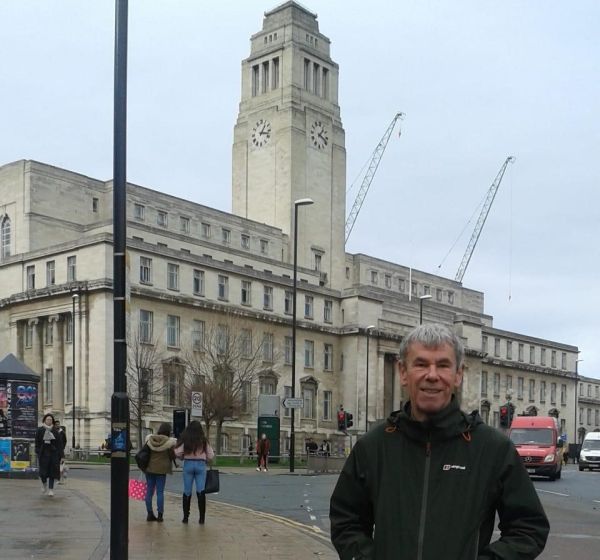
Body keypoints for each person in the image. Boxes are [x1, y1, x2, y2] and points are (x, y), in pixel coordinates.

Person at [330, 323, 550, 559]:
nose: (432, 375)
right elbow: (346, 521)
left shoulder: (492, 448)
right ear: (403, 372)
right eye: (421, 364)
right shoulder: (374, 446)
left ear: (458, 375)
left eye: (443, 365)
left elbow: (529, 528)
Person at [174, 420, 214, 524]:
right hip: (200, 465)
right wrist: (204, 457)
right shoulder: (203, 440)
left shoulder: (186, 440)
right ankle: (201, 518)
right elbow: (211, 455)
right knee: (201, 491)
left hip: (188, 464)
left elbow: (177, 452)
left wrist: (183, 457)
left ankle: (186, 517)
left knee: (187, 491)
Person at [143, 422, 177, 522]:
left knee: (149, 491)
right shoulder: (169, 443)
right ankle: (160, 515)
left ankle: (149, 513)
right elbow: (173, 456)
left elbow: (145, 452)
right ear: (168, 432)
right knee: (160, 492)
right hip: (162, 470)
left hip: (149, 469)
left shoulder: (150, 440)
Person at [35, 413, 65, 497]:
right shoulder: (40, 430)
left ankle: (51, 489)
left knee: (52, 472)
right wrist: (38, 451)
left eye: (51, 420)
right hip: (43, 454)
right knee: (43, 473)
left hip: (53, 454)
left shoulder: (55, 431)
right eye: (48, 419)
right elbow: (37, 443)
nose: (49, 421)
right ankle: (44, 484)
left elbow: (60, 444)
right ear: (44, 420)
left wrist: (62, 456)